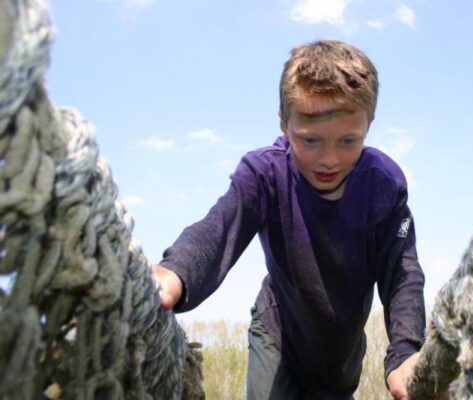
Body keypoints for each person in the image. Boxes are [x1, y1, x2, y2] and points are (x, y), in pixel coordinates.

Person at [152, 40, 425, 400]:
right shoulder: (265, 173)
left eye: (347, 140)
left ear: (368, 126)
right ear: (284, 124)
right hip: (277, 337)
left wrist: (405, 352)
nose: (329, 159)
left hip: (339, 360)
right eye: (310, 140)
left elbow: (402, 273)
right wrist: (176, 272)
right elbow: (219, 227)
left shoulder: (384, 186)